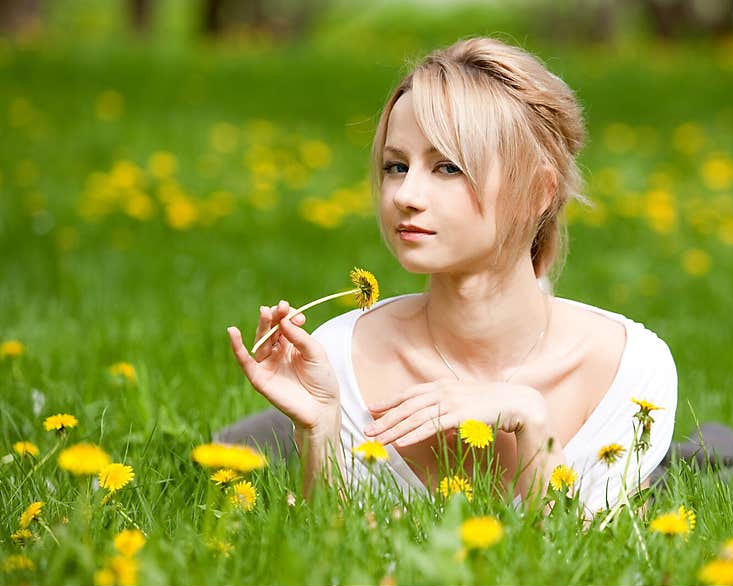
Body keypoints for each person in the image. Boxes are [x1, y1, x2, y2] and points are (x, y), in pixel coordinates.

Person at [223, 36, 678, 518]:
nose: (405, 194)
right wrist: (317, 432)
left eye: (447, 167)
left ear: (539, 192)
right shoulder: (340, 359)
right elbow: (330, 558)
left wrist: (531, 418)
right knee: (247, 445)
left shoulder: (629, 372)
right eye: (396, 166)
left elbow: (575, 567)